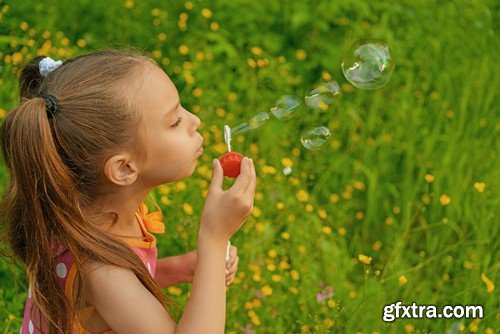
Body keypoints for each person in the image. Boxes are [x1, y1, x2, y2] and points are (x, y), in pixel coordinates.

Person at [0, 48, 256, 333]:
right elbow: (116, 286)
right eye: (175, 121)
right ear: (123, 169)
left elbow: (125, 287)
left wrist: (178, 268)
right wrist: (214, 237)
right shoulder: (99, 270)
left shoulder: (88, 213)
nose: (194, 119)